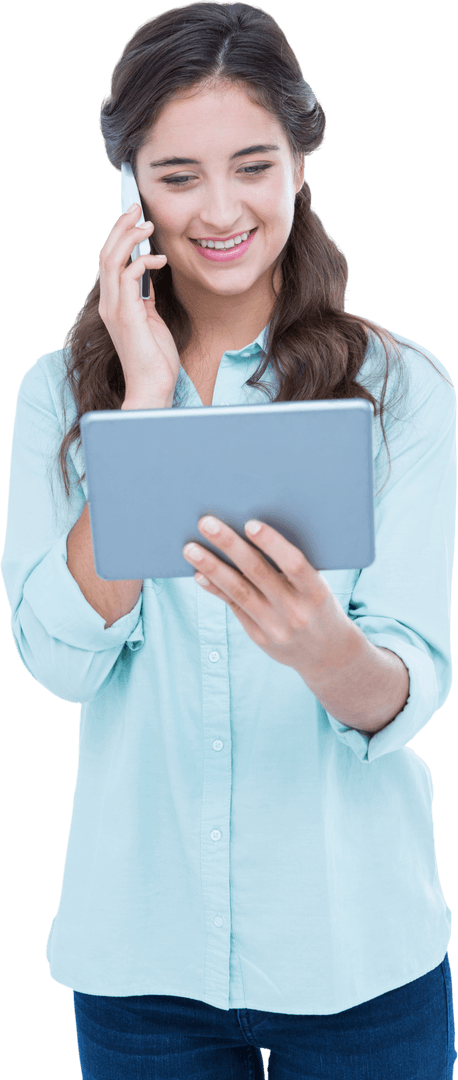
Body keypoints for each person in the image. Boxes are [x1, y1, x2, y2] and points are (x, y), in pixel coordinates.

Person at [1, 2, 456, 1077]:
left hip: (357, 958)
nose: (219, 210)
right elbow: (59, 662)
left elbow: (409, 684)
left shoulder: (399, 389)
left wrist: (321, 650)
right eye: (174, 175)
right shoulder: (57, 398)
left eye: (252, 164)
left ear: (299, 161)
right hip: (139, 961)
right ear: (128, 186)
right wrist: (143, 401)